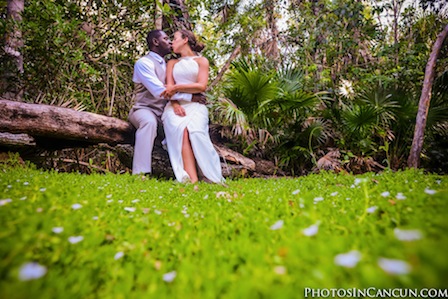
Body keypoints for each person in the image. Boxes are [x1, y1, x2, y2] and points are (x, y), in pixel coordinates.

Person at [129, 30, 205, 175]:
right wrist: (191, 97)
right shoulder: (143, 63)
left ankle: (192, 173)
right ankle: (141, 173)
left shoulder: (170, 64)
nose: (170, 42)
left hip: (165, 112)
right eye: (165, 39)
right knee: (149, 122)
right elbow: (159, 91)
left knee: (187, 126)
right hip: (143, 109)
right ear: (155, 42)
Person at [161, 29, 224, 184]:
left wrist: (176, 88)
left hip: (196, 106)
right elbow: (168, 90)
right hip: (174, 106)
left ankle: (211, 175)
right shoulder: (172, 63)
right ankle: (191, 179)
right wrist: (175, 104)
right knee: (181, 131)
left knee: (195, 131)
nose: (171, 42)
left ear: (185, 40)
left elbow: (201, 86)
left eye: (174, 39)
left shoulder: (202, 61)